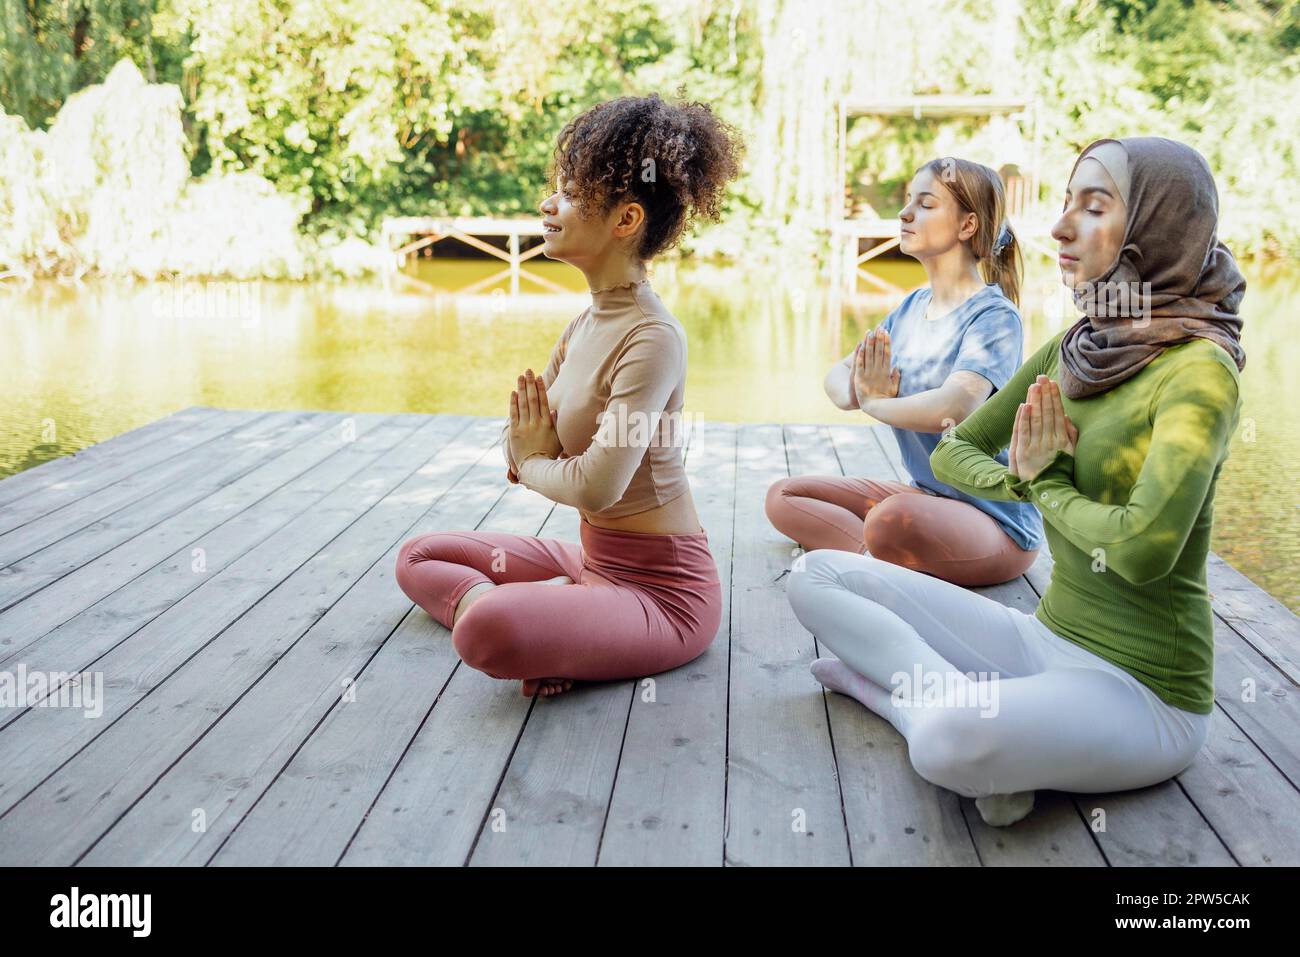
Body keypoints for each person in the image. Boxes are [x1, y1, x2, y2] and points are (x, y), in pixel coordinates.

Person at [786, 137, 1246, 826]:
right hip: (1044, 638)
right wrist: (1030, 481)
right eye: (1066, 203)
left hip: (1145, 692)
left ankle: (893, 695)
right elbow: (954, 453)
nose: (1060, 226)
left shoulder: (1200, 370)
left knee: (945, 742)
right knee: (815, 577)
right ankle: (957, 702)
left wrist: (1048, 481)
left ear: (1158, 226)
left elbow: (1142, 548)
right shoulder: (1081, 345)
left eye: (1094, 208)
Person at [395, 93, 743, 698]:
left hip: (662, 594)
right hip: (589, 561)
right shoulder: (585, 324)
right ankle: (559, 615)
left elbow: (594, 485)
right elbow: (517, 442)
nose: (547, 204)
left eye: (570, 193)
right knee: (420, 557)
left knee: (484, 630)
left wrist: (534, 462)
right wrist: (531, 458)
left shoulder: (652, 337)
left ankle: (545, 618)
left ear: (625, 220)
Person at [765, 157, 1044, 586]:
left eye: (926, 204)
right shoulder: (912, 306)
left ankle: (876, 556)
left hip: (993, 520)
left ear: (967, 225)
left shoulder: (993, 316)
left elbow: (955, 406)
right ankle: (876, 559)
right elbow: (837, 384)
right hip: (926, 501)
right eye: (908, 200)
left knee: (890, 520)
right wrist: (862, 391)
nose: (905, 213)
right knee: (784, 497)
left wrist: (876, 402)